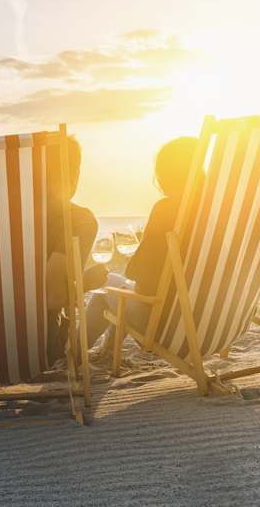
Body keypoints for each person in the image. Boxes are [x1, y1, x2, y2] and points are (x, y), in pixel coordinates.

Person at [85, 136, 205, 354]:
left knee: (108, 284)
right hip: (212, 324)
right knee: (121, 289)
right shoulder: (221, 211)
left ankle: (72, 352)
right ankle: (107, 351)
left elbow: (142, 281)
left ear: (166, 174)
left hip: (171, 330)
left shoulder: (167, 209)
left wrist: (137, 261)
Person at [45, 136, 108, 364]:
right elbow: (53, 298)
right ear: (72, 174)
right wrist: (87, 282)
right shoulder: (78, 220)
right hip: (39, 347)